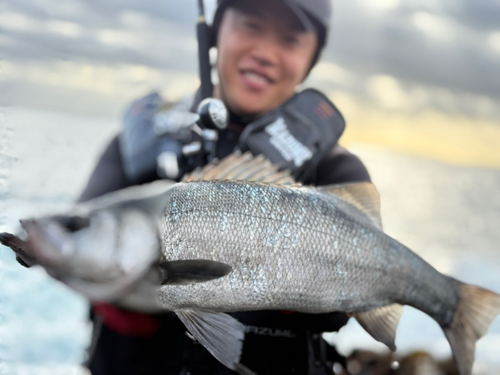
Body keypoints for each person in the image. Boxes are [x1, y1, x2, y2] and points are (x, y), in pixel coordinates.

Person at [79, 0, 371, 374]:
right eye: (251, 25)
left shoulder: (336, 169)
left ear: (311, 59)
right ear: (215, 31)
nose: (265, 53)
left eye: (290, 39)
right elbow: (77, 247)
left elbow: (356, 298)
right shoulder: (139, 143)